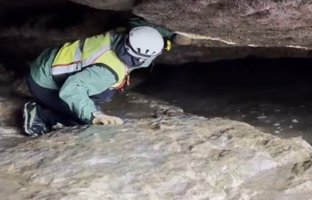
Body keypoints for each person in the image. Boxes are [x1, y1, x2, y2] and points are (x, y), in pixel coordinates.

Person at [22, 17, 192, 137]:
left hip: (48, 61)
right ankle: (39, 115)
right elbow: (72, 89)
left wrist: (170, 37)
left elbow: (139, 24)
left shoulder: (123, 35)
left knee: (102, 92)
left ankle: (57, 105)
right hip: (42, 81)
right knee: (86, 121)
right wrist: (94, 115)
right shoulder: (109, 70)